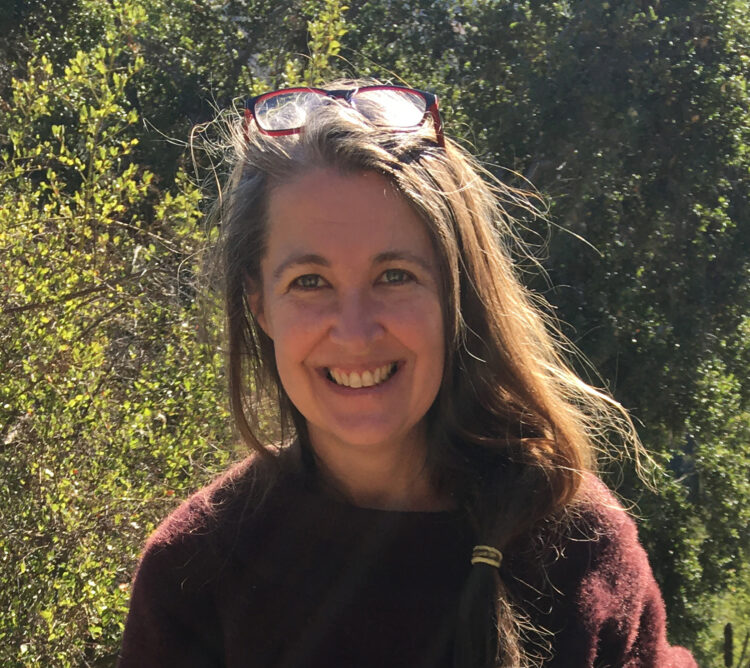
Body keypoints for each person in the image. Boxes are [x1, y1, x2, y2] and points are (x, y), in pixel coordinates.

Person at [117, 82, 697, 667]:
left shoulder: (577, 542)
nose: (355, 332)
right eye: (309, 282)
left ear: (457, 291)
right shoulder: (194, 572)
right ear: (259, 304)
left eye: (394, 276)